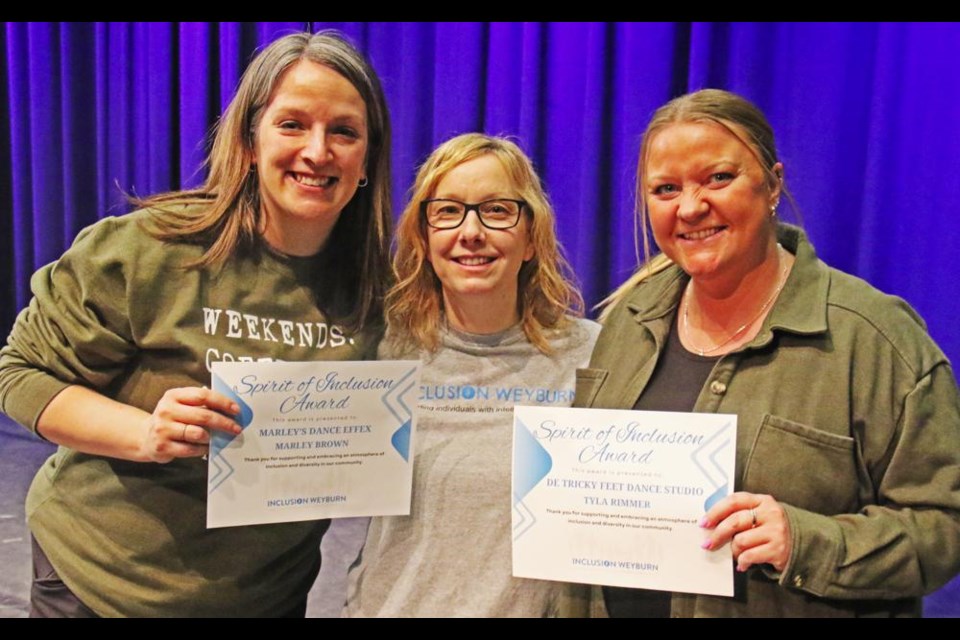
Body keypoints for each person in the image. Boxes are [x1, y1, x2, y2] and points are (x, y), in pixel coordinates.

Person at [0, 30, 393, 617]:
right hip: (102, 583)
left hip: (265, 596)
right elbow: (22, 374)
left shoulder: (381, 293)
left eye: (344, 131)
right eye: (292, 124)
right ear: (251, 140)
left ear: (367, 157)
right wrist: (144, 434)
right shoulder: (151, 249)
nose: (318, 150)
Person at [578, 88, 960, 617]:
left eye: (718, 178)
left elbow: (944, 524)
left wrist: (808, 542)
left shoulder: (873, 336)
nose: (690, 207)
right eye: (666, 189)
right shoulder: (627, 320)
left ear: (773, 183)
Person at [344, 133, 600, 617]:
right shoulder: (379, 351)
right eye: (448, 211)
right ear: (423, 237)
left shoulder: (591, 356)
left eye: (497, 210)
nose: (471, 231)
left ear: (531, 237)